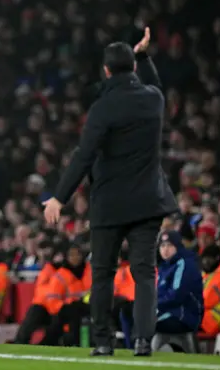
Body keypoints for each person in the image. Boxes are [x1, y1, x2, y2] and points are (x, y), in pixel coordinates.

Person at [43, 28, 178, 356]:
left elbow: (84, 154)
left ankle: (103, 342)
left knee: (102, 273)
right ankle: (144, 341)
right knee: (144, 271)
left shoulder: (103, 108)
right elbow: (156, 86)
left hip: (110, 204)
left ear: (106, 71)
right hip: (148, 200)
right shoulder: (153, 100)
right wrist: (144, 56)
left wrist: (60, 197)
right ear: (132, 68)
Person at [155, 231, 204, 342]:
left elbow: (177, 295)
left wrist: (154, 305)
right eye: (162, 246)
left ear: (178, 246)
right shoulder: (164, 267)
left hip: (184, 315)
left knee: (144, 322)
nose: (165, 249)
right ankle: (132, 348)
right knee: (128, 312)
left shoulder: (185, 264)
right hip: (167, 312)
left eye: (169, 245)